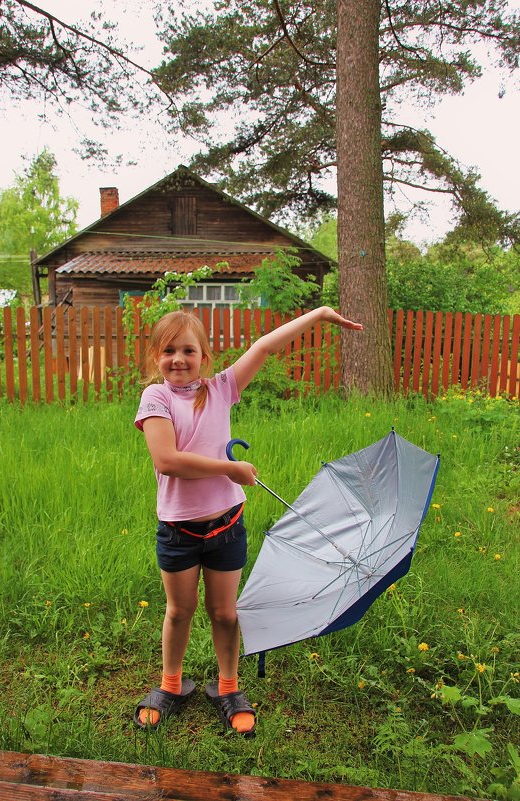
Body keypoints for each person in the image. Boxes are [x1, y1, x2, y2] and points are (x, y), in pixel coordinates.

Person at [133, 305, 363, 736]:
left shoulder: (222, 389)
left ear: (205, 355)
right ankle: (171, 685)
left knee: (224, 613)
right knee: (179, 611)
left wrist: (319, 314)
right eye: (168, 351)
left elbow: (265, 346)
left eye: (188, 350)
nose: (178, 359)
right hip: (178, 531)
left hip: (225, 528)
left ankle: (228, 687)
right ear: (155, 357)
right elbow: (166, 461)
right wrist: (230, 470)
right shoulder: (155, 397)